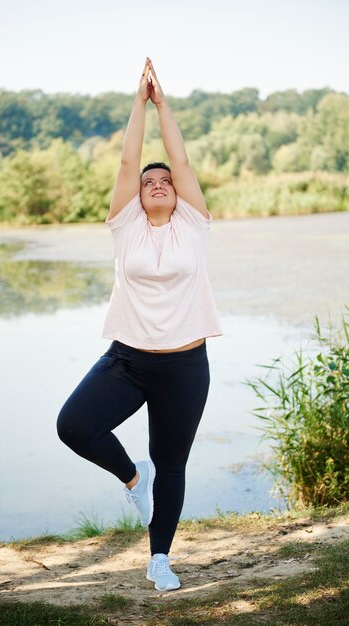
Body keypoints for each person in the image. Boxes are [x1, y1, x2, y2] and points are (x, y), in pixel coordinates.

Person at [57, 57, 222, 592]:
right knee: (75, 426)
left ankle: (159, 559)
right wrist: (138, 103)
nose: (155, 182)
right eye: (148, 181)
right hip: (126, 361)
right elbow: (129, 163)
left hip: (184, 366)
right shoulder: (125, 226)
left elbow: (180, 157)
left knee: (172, 464)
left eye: (164, 182)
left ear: (178, 195)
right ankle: (134, 477)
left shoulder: (193, 226)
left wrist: (163, 103)